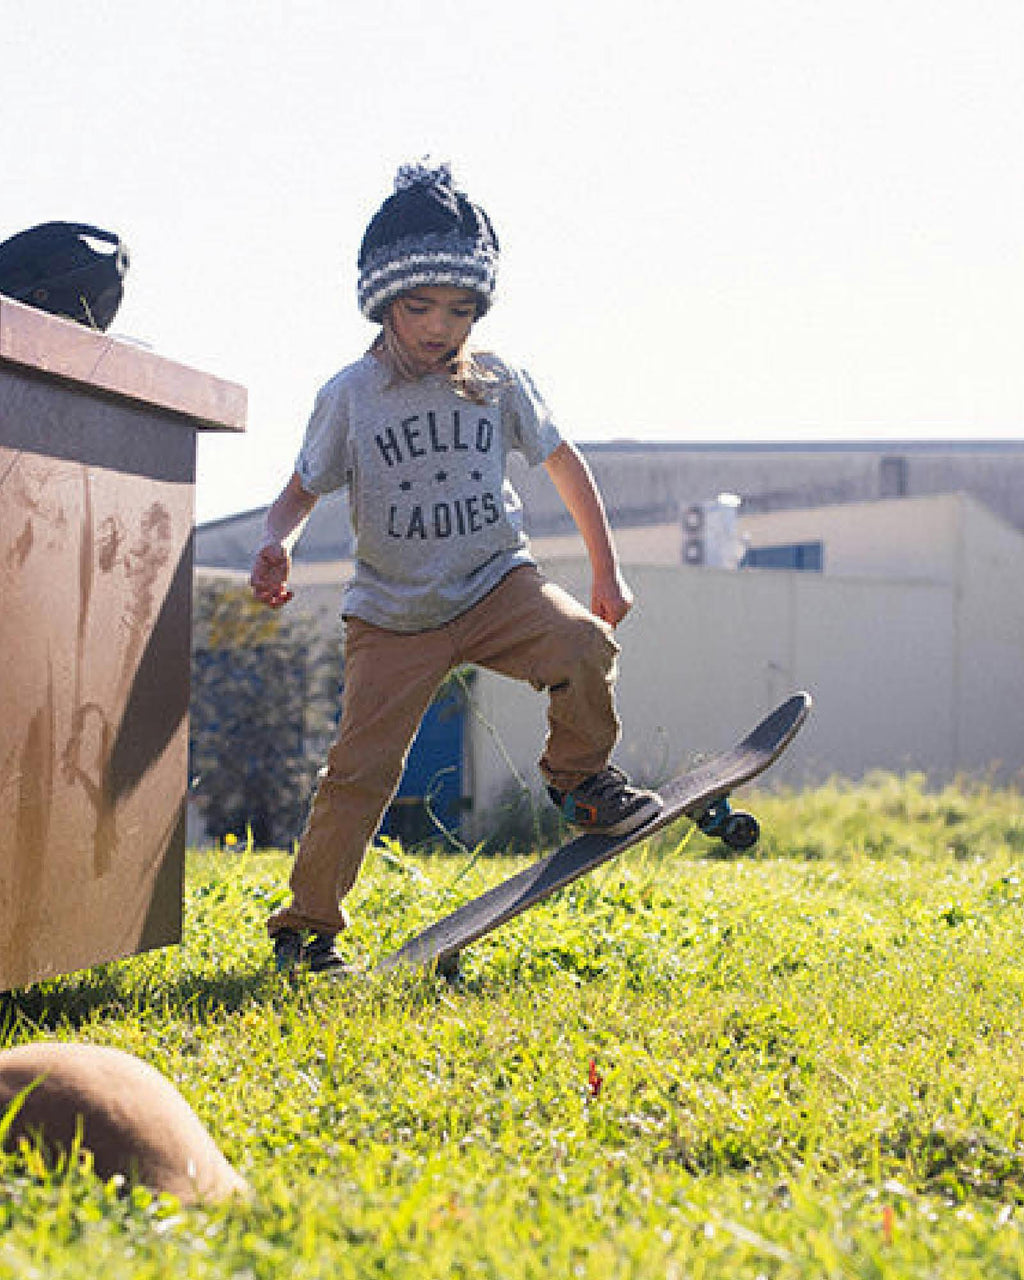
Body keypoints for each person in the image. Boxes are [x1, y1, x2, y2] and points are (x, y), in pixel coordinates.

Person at [250, 160, 662, 974]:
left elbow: (566, 464)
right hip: (393, 615)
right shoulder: (351, 395)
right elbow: (298, 491)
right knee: (359, 774)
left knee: (582, 645)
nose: (441, 326)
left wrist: (604, 573)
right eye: (419, 307)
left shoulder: (500, 380)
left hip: (494, 584)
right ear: (382, 303)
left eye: (461, 309)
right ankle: (307, 929)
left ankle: (580, 783)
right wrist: (276, 543)